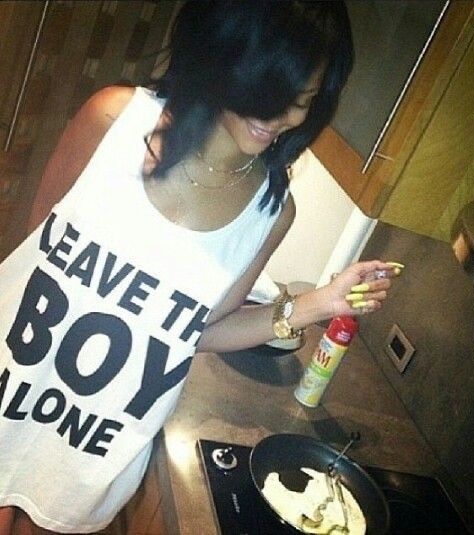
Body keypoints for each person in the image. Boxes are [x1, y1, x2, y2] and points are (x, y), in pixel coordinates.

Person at [0, 1, 398, 533]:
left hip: (95, 444)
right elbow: (35, 253)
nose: (283, 118)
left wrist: (321, 303)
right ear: (223, 58)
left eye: (302, 101)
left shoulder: (272, 212)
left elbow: (199, 332)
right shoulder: (114, 120)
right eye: (270, 92)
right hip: (11, 387)